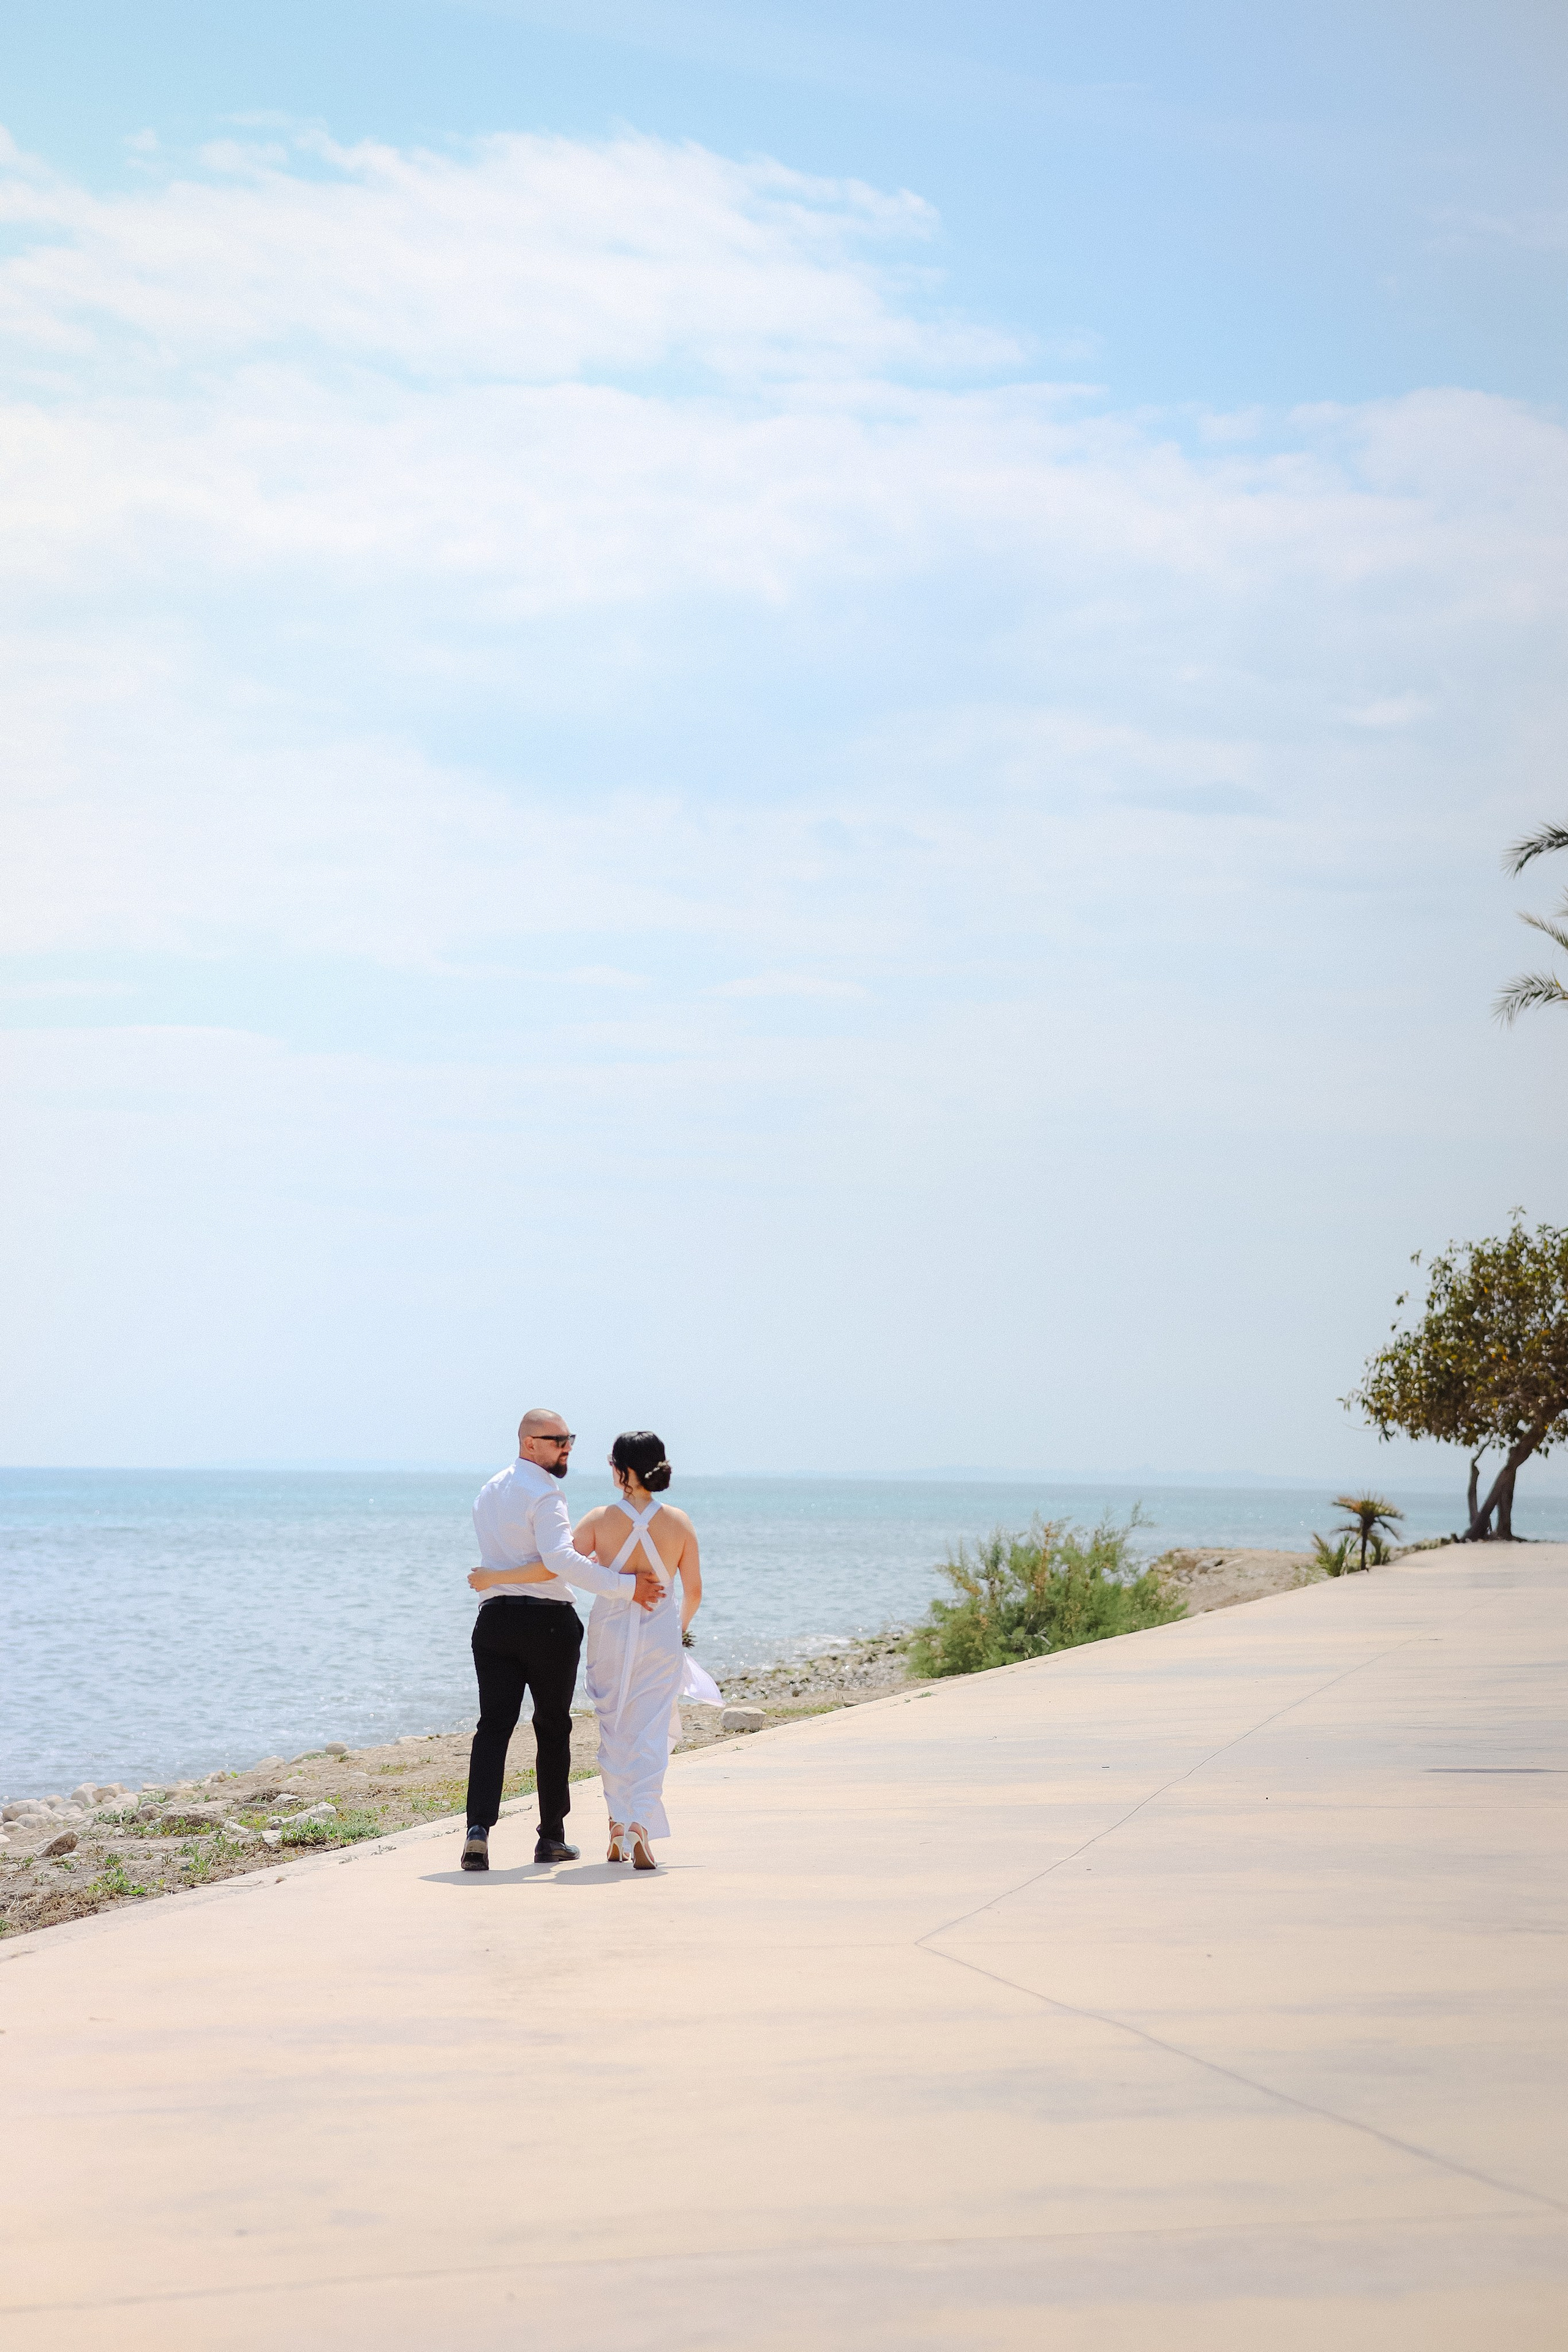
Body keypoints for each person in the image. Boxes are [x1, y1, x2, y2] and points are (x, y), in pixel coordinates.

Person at [460, 1408, 666, 1872]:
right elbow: (560, 1561)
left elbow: (515, 1559)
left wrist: (496, 1579)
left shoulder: (489, 1491)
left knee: (493, 1727)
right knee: (552, 1728)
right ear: (529, 1443)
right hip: (547, 1623)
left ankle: (477, 1831)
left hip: (493, 1622)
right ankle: (551, 1837)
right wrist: (626, 1587)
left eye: (570, 1438)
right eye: (557, 1440)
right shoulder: (546, 1494)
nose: (567, 1447)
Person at [573, 1430, 703, 1871]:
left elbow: (564, 1565)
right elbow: (694, 1592)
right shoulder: (679, 1522)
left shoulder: (598, 1519)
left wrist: (603, 1572)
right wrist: (677, 1631)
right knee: (650, 1729)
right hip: (660, 1635)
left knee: (614, 1728)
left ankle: (616, 1825)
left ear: (622, 1470)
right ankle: (641, 1823)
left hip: (609, 1632)